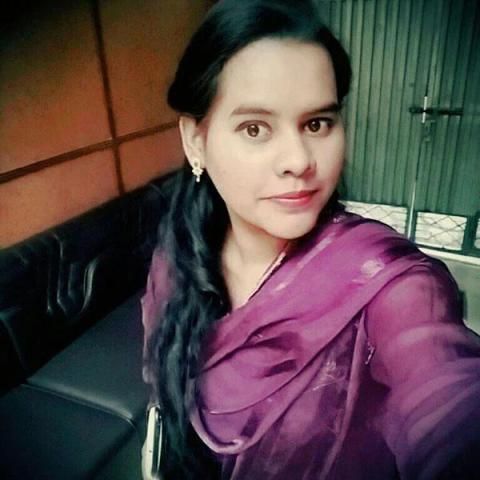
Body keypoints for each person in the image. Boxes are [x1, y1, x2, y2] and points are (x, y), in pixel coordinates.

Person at [141, 1, 480, 478]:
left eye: (317, 123)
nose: (299, 160)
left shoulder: (386, 281)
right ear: (196, 140)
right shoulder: (177, 257)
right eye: (255, 128)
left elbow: (442, 387)